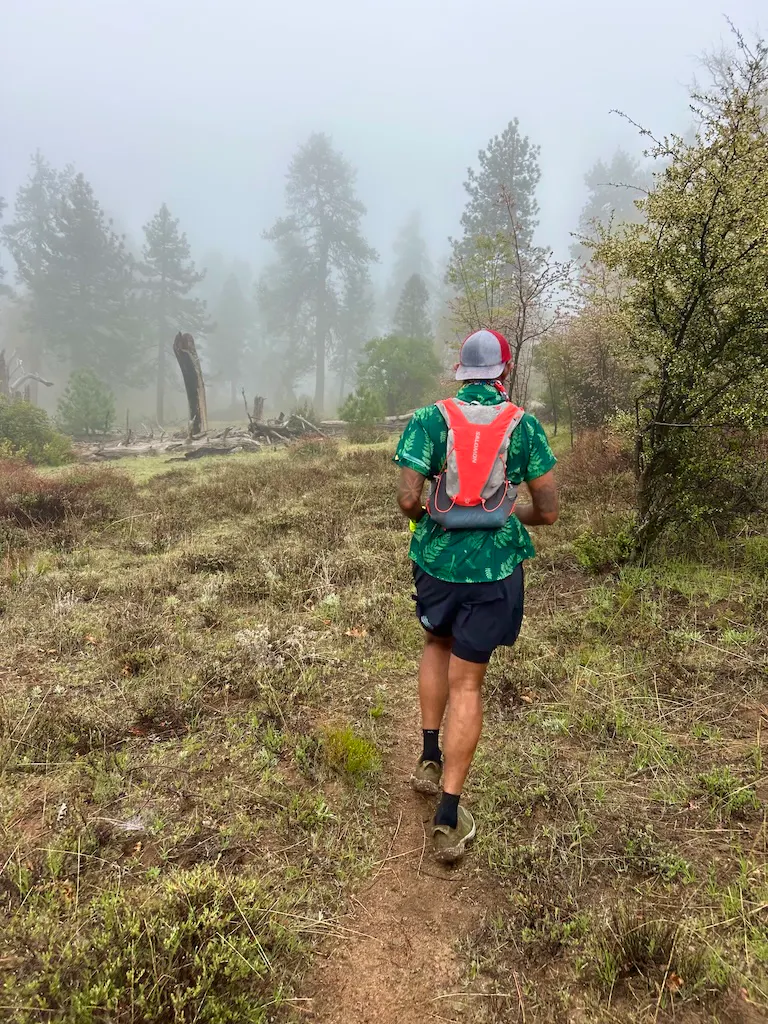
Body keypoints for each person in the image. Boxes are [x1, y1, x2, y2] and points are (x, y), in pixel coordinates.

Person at [394, 328, 559, 863]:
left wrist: (435, 522)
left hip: (437, 565)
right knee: (469, 685)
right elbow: (549, 510)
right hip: (493, 571)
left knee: (434, 645)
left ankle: (426, 756)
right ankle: (447, 817)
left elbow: (406, 498)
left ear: (460, 371)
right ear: (503, 373)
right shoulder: (524, 425)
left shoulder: (429, 419)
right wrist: (510, 514)